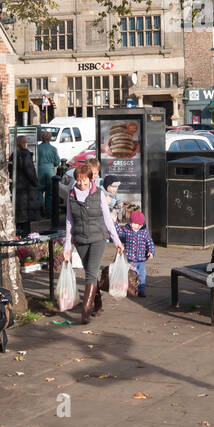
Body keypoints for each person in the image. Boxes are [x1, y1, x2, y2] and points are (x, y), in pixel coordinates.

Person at [64, 162, 124, 324]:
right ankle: (98, 303)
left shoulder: (98, 194)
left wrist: (117, 240)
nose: (82, 184)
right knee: (91, 273)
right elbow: (69, 221)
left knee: (90, 273)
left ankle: (85, 310)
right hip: (80, 239)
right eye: (79, 181)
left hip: (98, 239)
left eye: (85, 181)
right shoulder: (71, 195)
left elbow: (107, 219)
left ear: (91, 179)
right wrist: (67, 246)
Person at [116, 209, 155, 298]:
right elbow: (119, 233)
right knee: (129, 275)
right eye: (131, 222)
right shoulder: (127, 231)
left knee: (142, 276)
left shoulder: (144, 233)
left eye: (134, 223)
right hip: (129, 259)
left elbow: (150, 242)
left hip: (141, 260)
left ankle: (141, 290)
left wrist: (151, 252)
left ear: (140, 225)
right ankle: (128, 288)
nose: (131, 224)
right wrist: (115, 223)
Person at [10, 134, 41, 237]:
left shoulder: (15, 154)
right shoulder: (25, 155)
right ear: (25, 143)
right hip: (26, 189)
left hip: (17, 188)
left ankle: (19, 234)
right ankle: (25, 236)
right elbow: (30, 172)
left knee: (20, 215)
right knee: (26, 216)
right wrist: (36, 183)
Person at [36, 130, 61, 228]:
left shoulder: (38, 148)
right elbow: (57, 162)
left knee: (39, 191)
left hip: (40, 171)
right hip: (50, 171)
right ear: (50, 138)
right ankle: (49, 212)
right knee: (50, 193)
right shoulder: (53, 149)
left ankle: (41, 207)